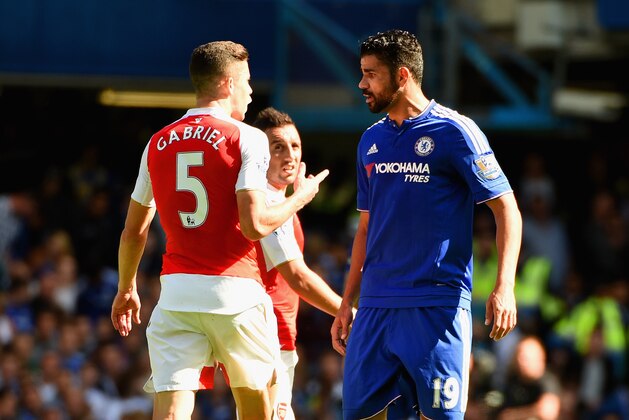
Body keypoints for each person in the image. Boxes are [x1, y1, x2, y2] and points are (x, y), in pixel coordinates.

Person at [110, 40, 328, 419]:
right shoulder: (248, 137)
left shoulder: (157, 141)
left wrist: (126, 288)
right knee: (255, 405)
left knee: (172, 408)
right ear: (227, 83)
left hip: (176, 294)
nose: (249, 91)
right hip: (236, 293)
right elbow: (255, 224)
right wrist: (299, 198)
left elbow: (133, 232)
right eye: (246, 81)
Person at [330, 29, 522, 420]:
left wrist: (505, 287)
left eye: (371, 74)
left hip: (436, 307)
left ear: (402, 76)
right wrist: (347, 303)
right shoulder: (369, 141)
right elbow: (365, 230)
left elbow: (507, 209)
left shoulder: (456, 131)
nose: (361, 83)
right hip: (376, 307)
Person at [201, 107, 348, 420]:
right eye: (278, 146)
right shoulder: (267, 201)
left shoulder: (274, 202)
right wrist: (349, 312)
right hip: (268, 337)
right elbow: (298, 277)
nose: (290, 155)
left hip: (269, 336)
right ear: (259, 155)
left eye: (295, 146)